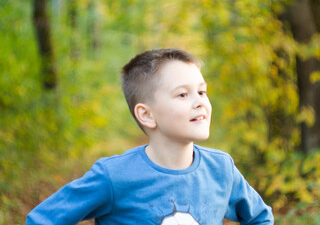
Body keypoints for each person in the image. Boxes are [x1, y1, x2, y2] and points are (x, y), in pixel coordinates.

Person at [26, 48, 274, 224]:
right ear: (146, 115)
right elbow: (42, 219)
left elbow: (260, 218)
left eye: (202, 91)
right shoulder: (114, 177)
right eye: (182, 95)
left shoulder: (221, 169)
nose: (199, 102)